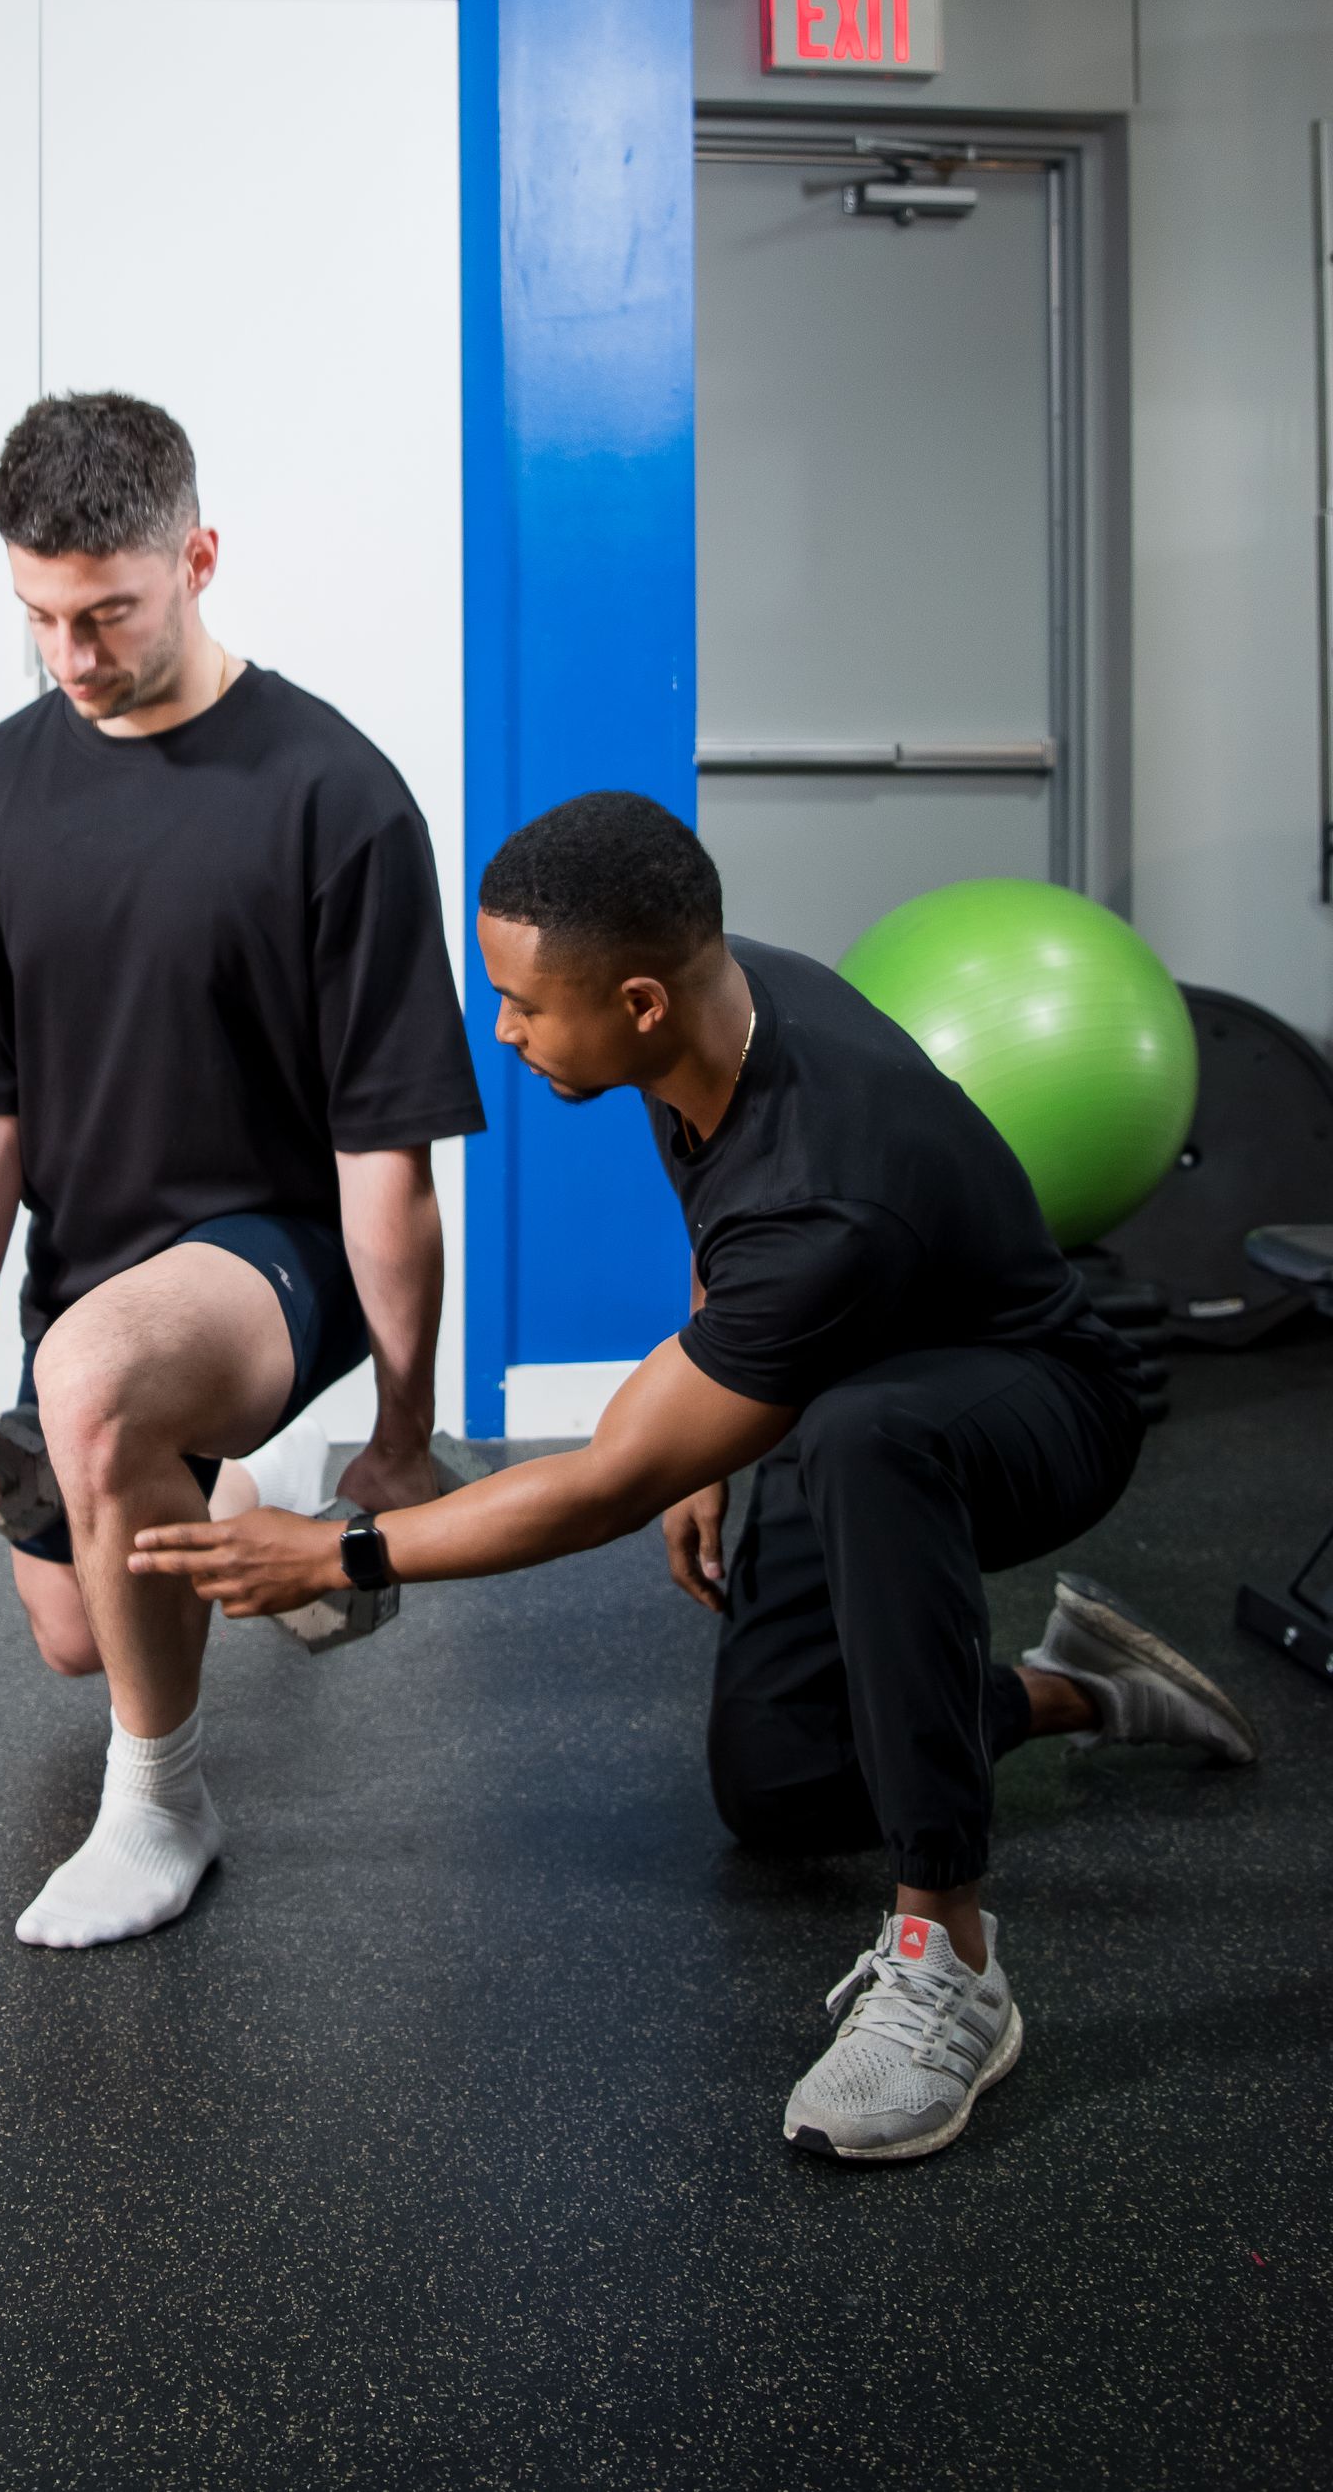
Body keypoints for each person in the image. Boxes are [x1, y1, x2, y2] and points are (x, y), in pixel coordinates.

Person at [132, 790, 1258, 2162]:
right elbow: (732, 1228)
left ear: (644, 998)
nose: (506, 1029)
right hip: (849, 1373)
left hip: (1040, 1403)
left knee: (858, 1441)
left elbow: (605, 1477)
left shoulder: (830, 1180)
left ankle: (951, 1959)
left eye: (524, 1005)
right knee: (778, 1787)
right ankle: (1084, 1683)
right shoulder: (723, 1015)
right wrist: (714, 1420)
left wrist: (345, 1550)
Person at [0, 390, 484, 1949]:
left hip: (278, 1255)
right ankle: (241, 1489)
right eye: (40, 619)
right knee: (78, 1628)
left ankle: (161, 1806)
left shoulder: (335, 798)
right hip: (92, 1271)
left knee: (91, 1391)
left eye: (108, 615)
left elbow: (387, 1152)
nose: (72, 659)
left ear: (200, 556)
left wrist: (405, 1431)